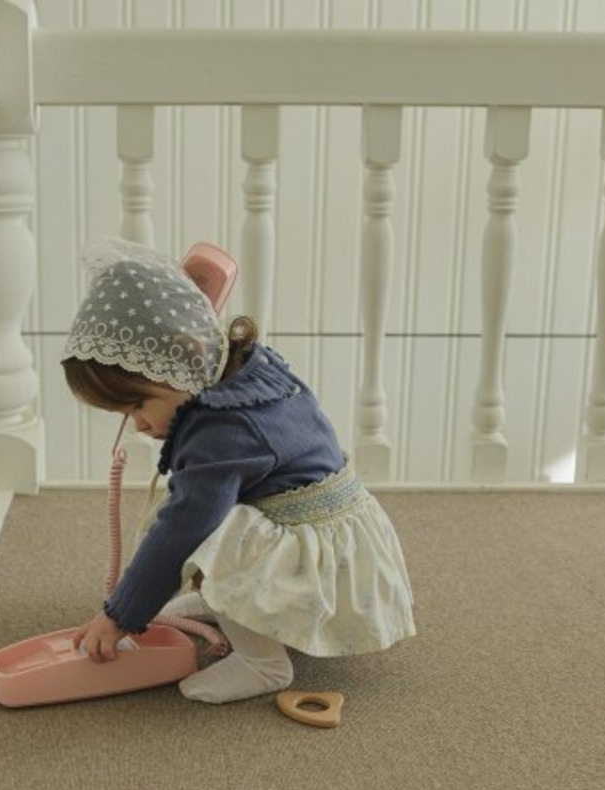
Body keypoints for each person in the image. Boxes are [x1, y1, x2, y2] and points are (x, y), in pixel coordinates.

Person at [64, 238, 415, 704]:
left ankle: (262, 662)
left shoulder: (222, 431)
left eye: (138, 405)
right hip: (334, 538)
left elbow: (180, 533)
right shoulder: (246, 370)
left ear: (184, 355)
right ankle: (228, 601)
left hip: (320, 563)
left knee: (201, 525)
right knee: (203, 510)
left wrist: (120, 615)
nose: (138, 425)